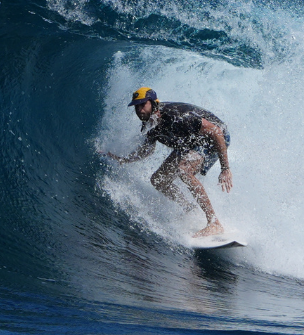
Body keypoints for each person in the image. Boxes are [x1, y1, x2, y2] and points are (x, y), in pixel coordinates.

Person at [100, 87, 235, 237]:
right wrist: (124, 160)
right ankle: (190, 210)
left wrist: (225, 168)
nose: (139, 110)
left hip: (215, 138)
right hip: (190, 142)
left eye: (142, 105)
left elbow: (216, 131)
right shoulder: (151, 125)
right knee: (159, 180)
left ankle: (214, 223)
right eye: (136, 107)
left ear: (152, 103)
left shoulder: (178, 116)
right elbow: (147, 150)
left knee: (185, 170)